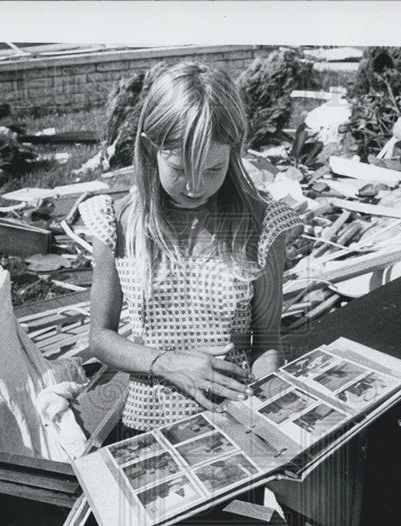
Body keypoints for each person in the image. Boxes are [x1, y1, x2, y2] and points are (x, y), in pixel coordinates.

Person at [79, 61, 301, 436]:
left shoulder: (262, 226)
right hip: (149, 424)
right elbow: (100, 338)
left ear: (234, 150)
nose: (196, 187)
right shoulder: (118, 223)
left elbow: (267, 344)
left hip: (235, 421)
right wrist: (166, 363)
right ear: (151, 150)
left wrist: (269, 408)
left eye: (213, 169)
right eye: (181, 169)